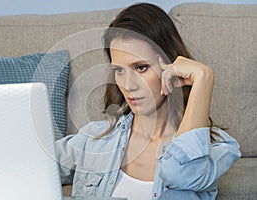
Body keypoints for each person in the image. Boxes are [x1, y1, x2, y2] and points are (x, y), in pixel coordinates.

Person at [55, 3, 241, 200]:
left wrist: (203, 79)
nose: (128, 85)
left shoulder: (217, 147)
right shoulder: (92, 139)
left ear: (171, 64)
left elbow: (182, 174)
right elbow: (27, 164)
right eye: (119, 70)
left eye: (141, 68)